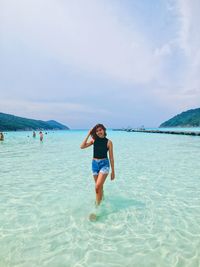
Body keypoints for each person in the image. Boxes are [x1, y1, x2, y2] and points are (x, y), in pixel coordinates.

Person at [80, 124, 115, 206]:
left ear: (104, 130)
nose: (99, 132)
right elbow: (82, 146)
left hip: (104, 165)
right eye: (97, 131)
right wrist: (89, 133)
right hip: (94, 165)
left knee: (97, 187)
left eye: (100, 130)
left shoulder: (109, 142)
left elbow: (111, 158)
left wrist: (113, 171)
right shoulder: (94, 140)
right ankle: (102, 199)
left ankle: (97, 208)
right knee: (99, 187)